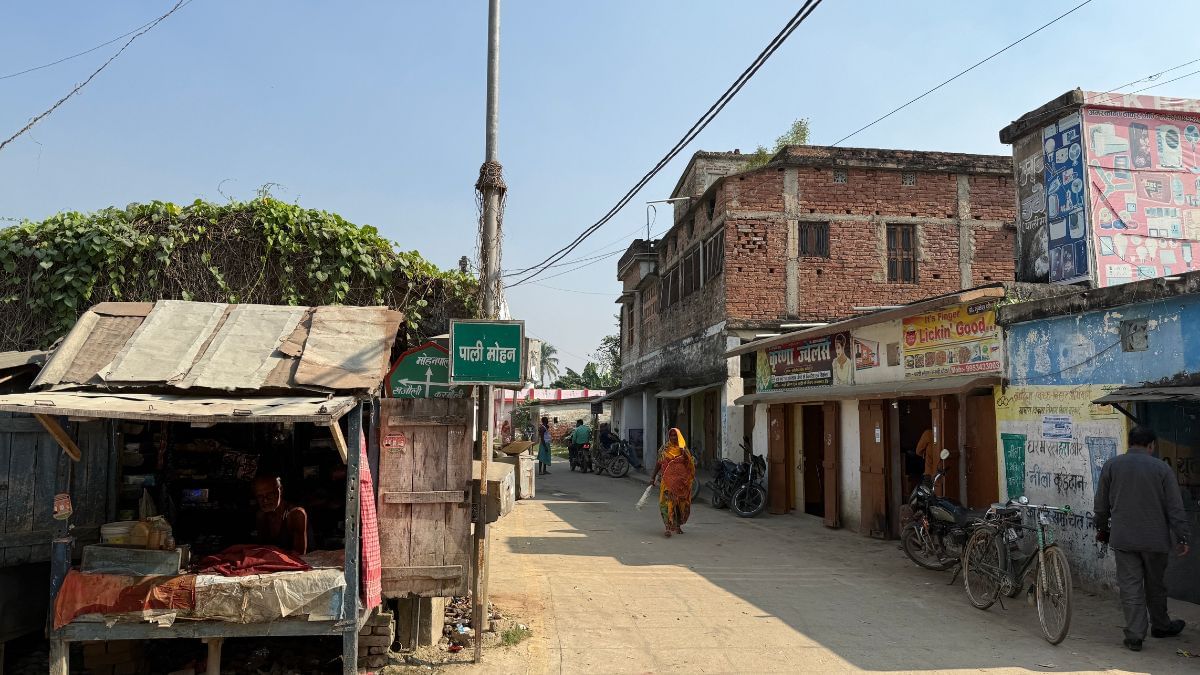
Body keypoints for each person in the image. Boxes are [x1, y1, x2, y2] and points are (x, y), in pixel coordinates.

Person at [1094, 426, 1190, 652]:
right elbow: (1175, 507)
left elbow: (1101, 505)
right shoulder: (1162, 468)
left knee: (1130, 586)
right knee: (1156, 585)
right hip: (1155, 540)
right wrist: (1183, 537)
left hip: (1124, 538)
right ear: (1151, 445)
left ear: (1129, 443)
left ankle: (1135, 635)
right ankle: (1161, 625)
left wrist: (1102, 529)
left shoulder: (1112, 465)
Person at [651, 428, 695, 538]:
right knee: (666, 503)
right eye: (671, 435)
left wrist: (685, 456)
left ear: (679, 436)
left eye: (675, 435)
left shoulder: (683, 449)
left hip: (680, 482)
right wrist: (653, 477)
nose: (673, 437)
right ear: (669, 437)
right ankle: (667, 527)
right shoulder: (664, 449)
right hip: (667, 482)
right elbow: (659, 463)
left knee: (679, 504)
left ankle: (678, 525)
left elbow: (690, 464)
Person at [253, 476, 308, 555]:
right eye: (260, 496)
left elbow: (299, 554)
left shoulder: (296, 514)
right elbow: (261, 549)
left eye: (270, 494)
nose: (265, 500)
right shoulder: (261, 515)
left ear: (280, 490)